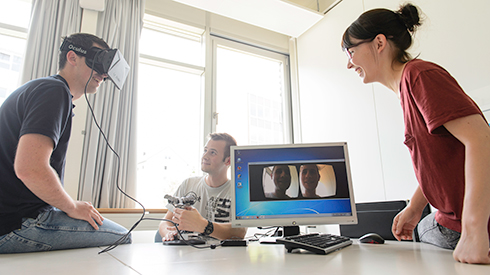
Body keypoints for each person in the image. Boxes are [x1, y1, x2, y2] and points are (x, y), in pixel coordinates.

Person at [342, 3, 490, 264]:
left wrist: (475, 231)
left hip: (467, 227)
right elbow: (443, 160)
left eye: (350, 51)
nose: (349, 63)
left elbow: (481, 140)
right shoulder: (407, 87)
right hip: (448, 220)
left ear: (378, 43)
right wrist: (415, 205)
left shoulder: (419, 76)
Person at [0, 33, 131, 254]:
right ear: (72, 57)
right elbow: (29, 168)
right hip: (17, 224)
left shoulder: (42, 88)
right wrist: (70, 206)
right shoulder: (54, 91)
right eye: (99, 62)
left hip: (11, 219)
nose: (104, 74)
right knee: (122, 237)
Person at [158, 133, 247, 241]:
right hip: (188, 253)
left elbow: (240, 231)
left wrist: (203, 225)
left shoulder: (239, 191)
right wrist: (169, 233)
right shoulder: (188, 184)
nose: (205, 156)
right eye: (205, 150)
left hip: (221, 255)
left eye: (212, 152)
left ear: (228, 161)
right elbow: (165, 221)